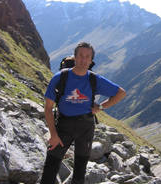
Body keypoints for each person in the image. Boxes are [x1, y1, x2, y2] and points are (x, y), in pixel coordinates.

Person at [40, 42, 126, 184]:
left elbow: (121, 93)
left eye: (87, 57)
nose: (83, 59)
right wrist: (53, 135)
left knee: (80, 169)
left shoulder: (94, 79)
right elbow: (48, 108)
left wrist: (101, 107)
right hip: (63, 126)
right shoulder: (60, 77)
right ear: (74, 57)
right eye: (80, 56)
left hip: (85, 128)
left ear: (91, 60)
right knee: (51, 165)